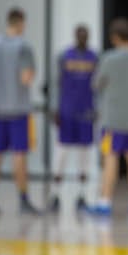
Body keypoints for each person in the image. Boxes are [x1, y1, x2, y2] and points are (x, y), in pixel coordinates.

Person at [0, 7, 42, 215]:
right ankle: (23, 200)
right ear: (21, 23)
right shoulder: (23, 46)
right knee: (19, 154)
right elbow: (25, 78)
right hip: (17, 109)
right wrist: (31, 72)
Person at [90, 17, 128, 216]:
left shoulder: (108, 58)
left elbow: (97, 84)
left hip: (111, 119)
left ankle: (105, 201)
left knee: (110, 158)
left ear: (115, 37)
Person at [48, 25, 98, 212]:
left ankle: (82, 196)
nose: (83, 38)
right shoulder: (64, 56)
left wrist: (97, 108)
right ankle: (55, 195)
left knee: (84, 157)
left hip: (85, 111)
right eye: (80, 35)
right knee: (61, 154)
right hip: (67, 110)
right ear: (75, 36)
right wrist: (54, 108)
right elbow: (56, 83)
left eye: (86, 35)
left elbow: (98, 85)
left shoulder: (94, 57)